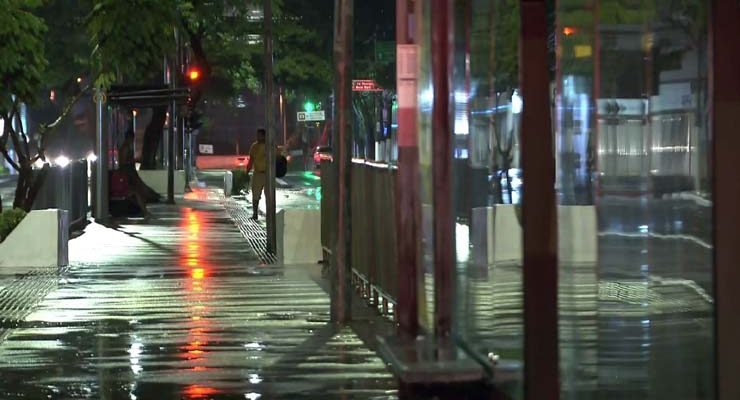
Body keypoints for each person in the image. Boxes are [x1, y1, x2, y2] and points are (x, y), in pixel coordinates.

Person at [119, 130, 151, 218]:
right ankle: (144, 211)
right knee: (138, 192)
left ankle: (143, 211)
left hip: (131, 174)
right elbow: (123, 163)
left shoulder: (127, 147)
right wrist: (134, 160)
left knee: (141, 191)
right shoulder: (125, 148)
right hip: (128, 174)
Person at [245, 128, 268, 220]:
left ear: (264, 136)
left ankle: (270, 214)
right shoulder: (254, 146)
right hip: (258, 173)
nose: (258, 137)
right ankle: (255, 214)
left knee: (269, 196)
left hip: (268, 174)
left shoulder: (270, 146)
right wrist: (246, 172)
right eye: (257, 135)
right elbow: (251, 160)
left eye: (259, 135)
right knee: (255, 195)